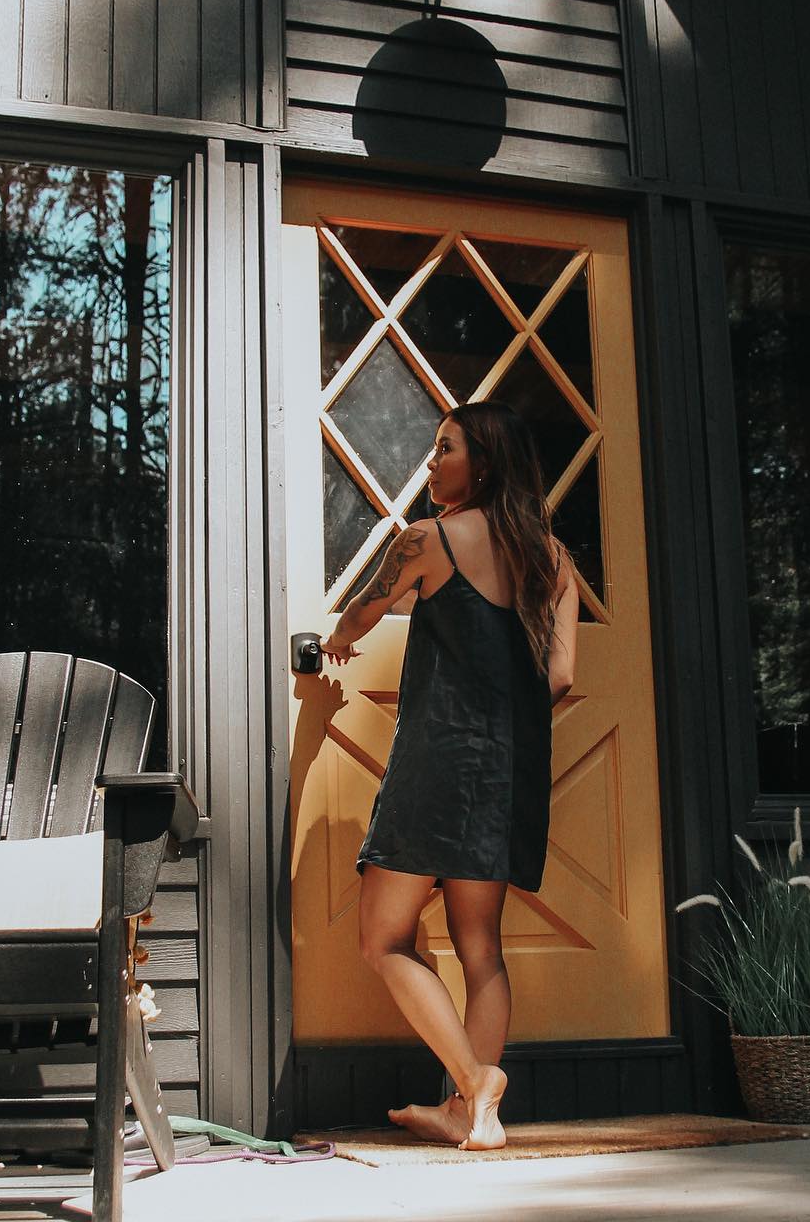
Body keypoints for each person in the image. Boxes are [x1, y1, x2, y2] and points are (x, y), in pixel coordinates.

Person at [322, 401, 579, 1150]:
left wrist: (334, 642)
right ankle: (477, 1118)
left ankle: (474, 1081)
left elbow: (361, 616)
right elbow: (559, 675)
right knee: (481, 947)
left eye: (444, 449)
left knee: (384, 940)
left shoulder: (426, 539)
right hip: (509, 770)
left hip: (438, 763)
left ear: (484, 464)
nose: (430, 464)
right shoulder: (555, 561)